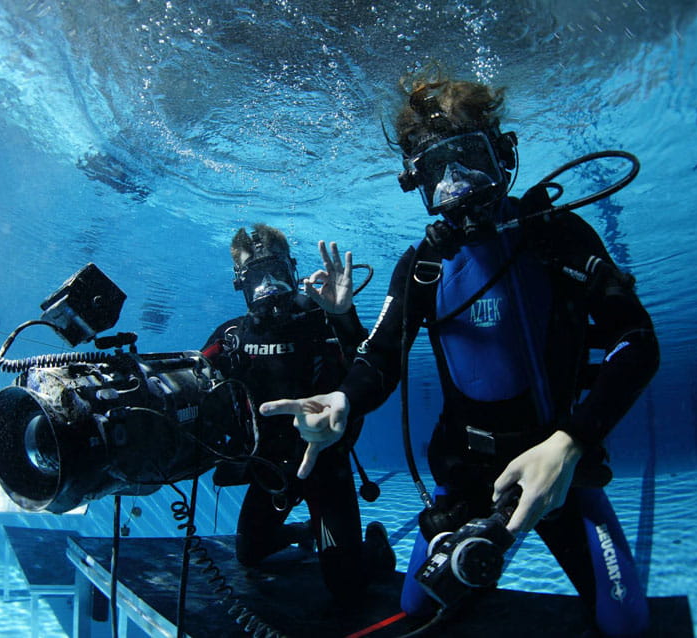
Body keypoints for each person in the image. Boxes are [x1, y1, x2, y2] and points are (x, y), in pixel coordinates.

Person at [260, 74, 659, 637]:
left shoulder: (557, 235)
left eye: (469, 158)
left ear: (502, 155)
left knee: (627, 624)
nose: (455, 184)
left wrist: (571, 443)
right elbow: (381, 357)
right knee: (419, 609)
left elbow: (636, 342)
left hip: (561, 472)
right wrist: (344, 398)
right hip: (469, 479)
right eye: (434, 172)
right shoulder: (422, 264)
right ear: (417, 183)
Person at [201, 223, 395, 604]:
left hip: (327, 467)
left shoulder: (323, 316)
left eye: (276, 272)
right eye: (256, 277)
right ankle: (308, 533)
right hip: (270, 472)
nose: (268, 286)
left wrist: (345, 315)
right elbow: (194, 379)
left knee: (346, 586)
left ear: (292, 268)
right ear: (239, 283)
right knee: (249, 554)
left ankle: (373, 546)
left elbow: (371, 369)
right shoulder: (231, 337)